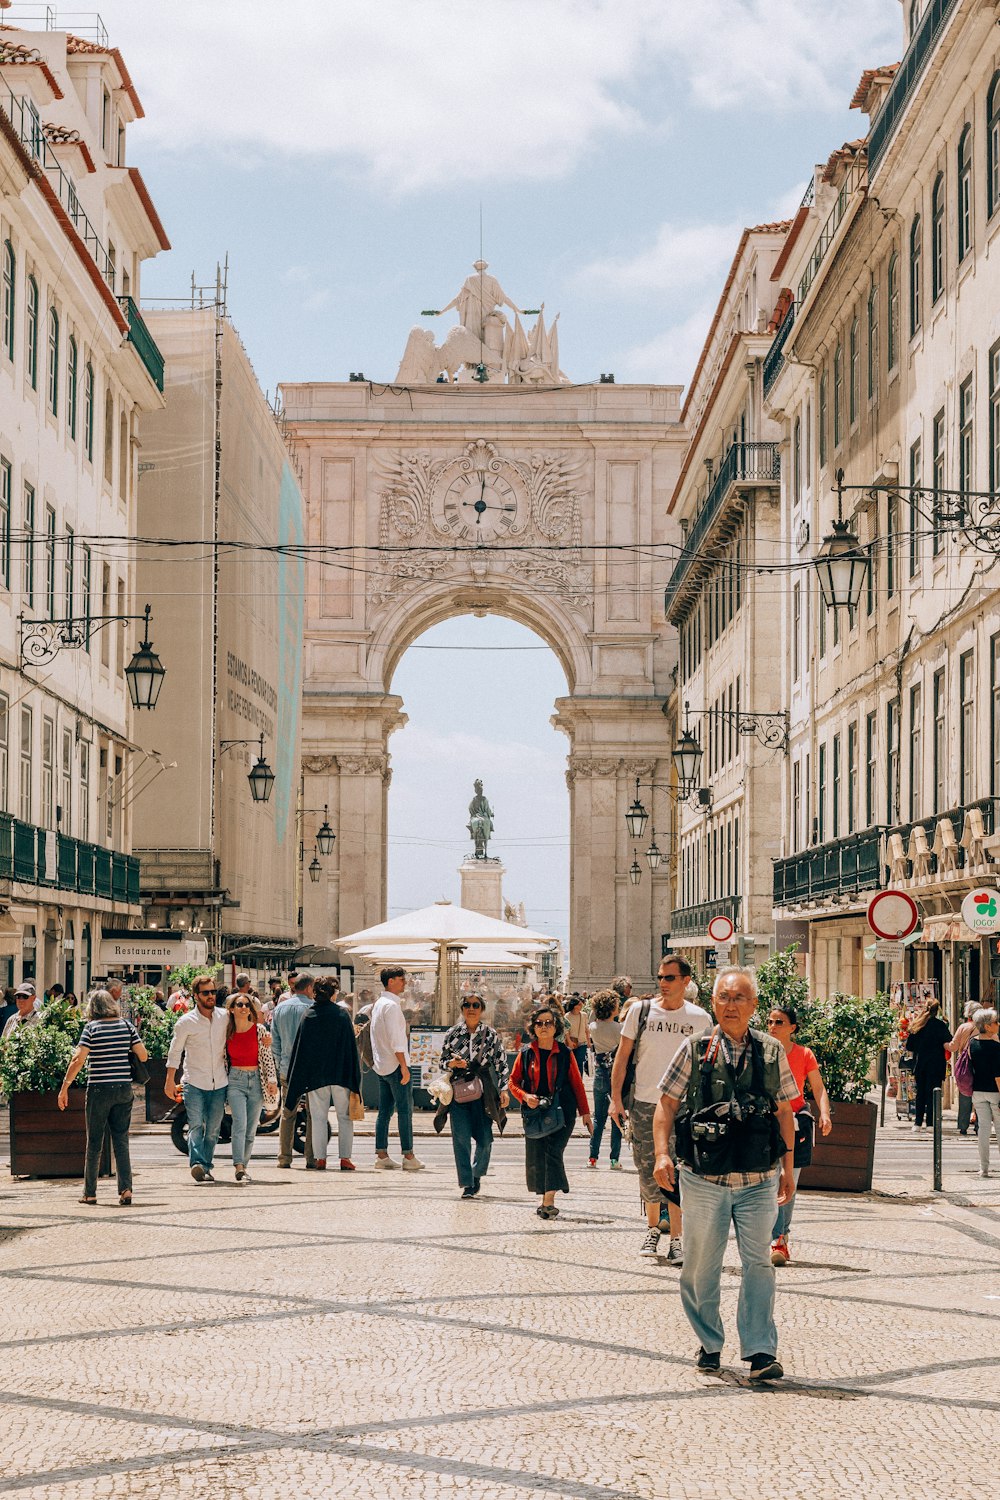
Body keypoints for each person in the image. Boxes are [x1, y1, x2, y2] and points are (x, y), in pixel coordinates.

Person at [653, 967, 798, 1381]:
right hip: (704, 1179)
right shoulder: (695, 1049)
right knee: (700, 1265)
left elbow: (786, 1111)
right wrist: (662, 1155)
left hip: (757, 1179)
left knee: (759, 1263)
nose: (731, 1005)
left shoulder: (771, 1051)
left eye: (739, 998)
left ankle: (759, 1351)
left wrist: (787, 1169)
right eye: (723, 998)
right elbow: (665, 1106)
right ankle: (710, 1343)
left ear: (753, 1006)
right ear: (713, 1003)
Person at [611, 955, 711, 1264]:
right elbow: (623, 1056)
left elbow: (708, 1065)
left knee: (678, 1172)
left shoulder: (700, 1019)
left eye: (669, 978)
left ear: (686, 981)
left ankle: (677, 1239)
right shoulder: (640, 1013)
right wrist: (616, 1098)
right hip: (644, 1103)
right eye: (660, 977)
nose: (663, 983)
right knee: (647, 1172)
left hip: (684, 1108)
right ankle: (653, 1228)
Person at [57, 988, 148, 1206]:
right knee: (121, 1140)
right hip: (123, 1089)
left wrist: (65, 1087)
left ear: (92, 1008)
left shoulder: (91, 1028)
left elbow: (78, 1059)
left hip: (98, 1089)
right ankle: (125, 1190)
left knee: (94, 1142)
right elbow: (143, 1055)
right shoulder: (127, 1026)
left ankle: (90, 1193)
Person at [509, 1003, 592, 1218]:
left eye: (548, 1023)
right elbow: (513, 1082)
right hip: (535, 1112)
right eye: (539, 1023)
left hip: (563, 1111)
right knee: (537, 1155)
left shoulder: (565, 1053)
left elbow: (577, 1084)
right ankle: (545, 1197)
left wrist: (585, 1113)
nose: (544, 1027)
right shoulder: (526, 1053)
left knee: (554, 1152)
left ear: (556, 1027)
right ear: (533, 1028)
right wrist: (525, 1097)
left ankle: (548, 1202)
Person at [766, 1004, 832, 1266]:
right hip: (766, 1123)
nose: (772, 1026)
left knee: (788, 1181)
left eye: (779, 1022)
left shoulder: (804, 1054)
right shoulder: (761, 1051)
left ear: (792, 1028)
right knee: (769, 1182)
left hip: (795, 1124)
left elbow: (818, 1087)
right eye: (770, 1021)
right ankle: (773, 1237)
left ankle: (780, 1238)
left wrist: (824, 1114)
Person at [285, 975, 361, 1170]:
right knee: (344, 1117)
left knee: (318, 1117)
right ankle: (345, 1158)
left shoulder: (309, 1015)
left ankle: (320, 1158)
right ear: (333, 993)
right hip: (340, 1074)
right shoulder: (342, 1015)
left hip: (316, 1076)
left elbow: (301, 1049)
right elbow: (350, 1048)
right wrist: (355, 1077)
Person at [438, 994, 510, 1198]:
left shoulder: (490, 1034)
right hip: (459, 1091)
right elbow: (442, 1061)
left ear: (482, 1009)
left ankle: (477, 1174)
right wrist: (452, 1064)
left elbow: (502, 1064)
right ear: (461, 1009)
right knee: (460, 1139)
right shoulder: (453, 1033)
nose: (471, 1008)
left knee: (485, 1139)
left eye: (475, 1005)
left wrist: (504, 1089)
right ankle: (467, 1183)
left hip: (483, 1092)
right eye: (467, 1005)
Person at [165, 972, 230, 1183]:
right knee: (196, 1126)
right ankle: (197, 1164)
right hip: (194, 1082)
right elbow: (175, 1052)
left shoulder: (224, 1017)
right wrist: (169, 1080)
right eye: (206, 993)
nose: (211, 996)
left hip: (219, 1082)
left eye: (213, 991)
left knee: (213, 1130)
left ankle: (206, 1166)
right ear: (196, 995)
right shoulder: (186, 1022)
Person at [371, 966, 424, 1171]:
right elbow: (396, 1040)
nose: (405, 982)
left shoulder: (379, 1004)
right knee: (404, 1111)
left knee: (384, 1111)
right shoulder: (391, 1006)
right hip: (394, 1064)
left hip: (382, 1064)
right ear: (391, 981)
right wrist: (404, 1066)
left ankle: (382, 1153)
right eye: (402, 979)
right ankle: (408, 1155)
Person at [225, 991, 277, 1182]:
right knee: (240, 1123)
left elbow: (267, 1058)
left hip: (256, 1080)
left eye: (247, 1005)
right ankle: (238, 1164)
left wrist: (272, 1081)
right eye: (239, 1005)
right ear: (231, 1009)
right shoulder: (226, 1031)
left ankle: (244, 1166)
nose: (244, 1008)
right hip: (235, 1080)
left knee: (251, 1128)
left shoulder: (260, 1030)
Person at [271, 974, 317, 1169]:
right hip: (309, 1070)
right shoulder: (313, 1008)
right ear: (308, 988)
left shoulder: (280, 1008)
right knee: (313, 1113)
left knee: (287, 1113)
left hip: (286, 1069)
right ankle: (311, 1158)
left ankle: (284, 1157)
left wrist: (281, 1063)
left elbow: (275, 1042)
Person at [587, 988, 623, 1169]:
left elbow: (592, 1019)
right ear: (611, 1007)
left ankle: (592, 1157)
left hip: (600, 1074)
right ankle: (614, 1159)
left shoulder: (593, 1027)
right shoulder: (619, 1028)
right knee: (617, 1117)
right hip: (616, 1075)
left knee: (598, 1118)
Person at [905, 998, 952, 1130]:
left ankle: (918, 1123)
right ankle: (930, 1123)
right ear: (937, 1011)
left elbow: (909, 1046)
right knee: (933, 1093)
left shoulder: (917, 1025)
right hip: (936, 1064)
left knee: (920, 1093)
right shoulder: (940, 1025)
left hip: (920, 1064)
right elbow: (949, 1041)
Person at [968, 1007, 1000, 1177]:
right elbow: (998, 1074)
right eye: (995, 1022)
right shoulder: (996, 1047)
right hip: (995, 1092)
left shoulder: (972, 1043)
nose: (998, 1024)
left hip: (978, 1091)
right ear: (987, 1026)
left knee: (984, 1131)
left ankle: (984, 1168)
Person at [950, 1001, 980, 1136]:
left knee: (964, 1094)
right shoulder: (984, 1027)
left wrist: (943, 1044)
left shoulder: (963, 1027)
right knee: (980, 1095)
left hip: (965, 1065)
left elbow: (954, 1047)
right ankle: (979, 1125)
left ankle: (963, 1126)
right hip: (981, 1064)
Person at [563, 994, 590, 1077]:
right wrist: (569, 1041)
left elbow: (586, 1029)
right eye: (579, 1004)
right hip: (571, 1043)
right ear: (574, 1006)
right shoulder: (567, 1016)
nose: (581, 1005)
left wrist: (588, 1042)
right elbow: (566, 1031)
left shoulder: (584, 1015)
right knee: (570, 1063)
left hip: (582, 1042)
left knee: (579, 1063)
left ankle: (579, 1081)